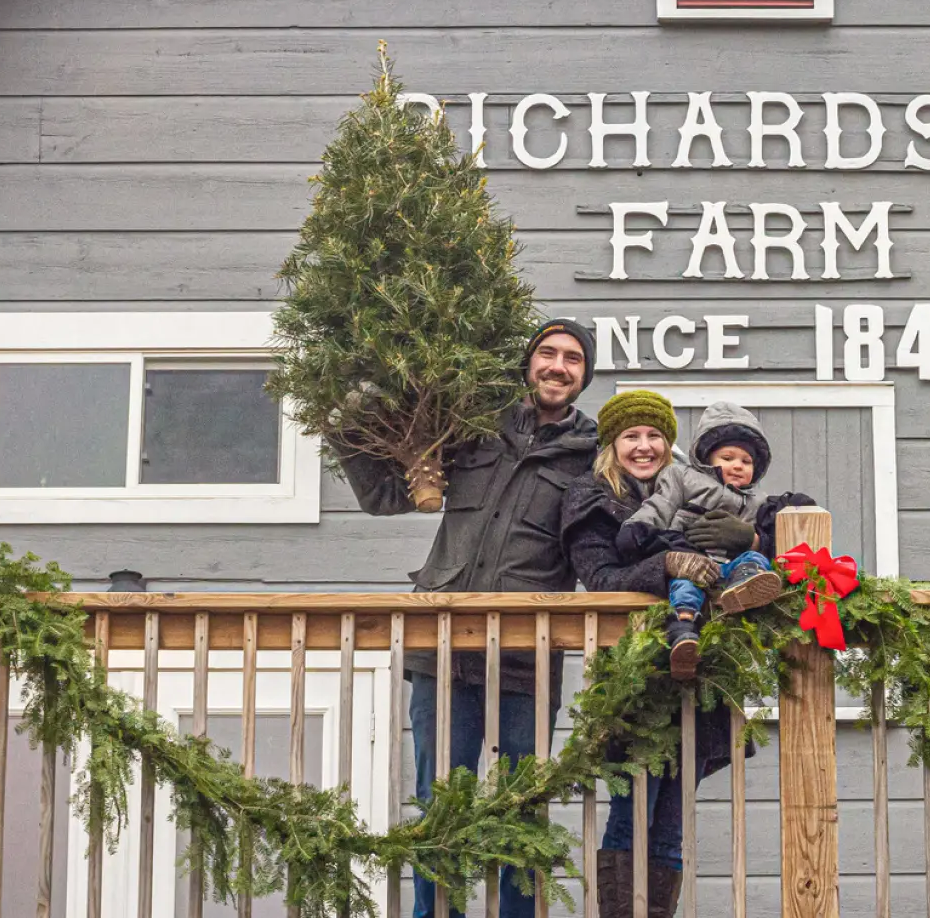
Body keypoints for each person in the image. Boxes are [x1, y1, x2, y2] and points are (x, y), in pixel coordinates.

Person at [335, 318, 599, 918]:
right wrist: (347, 423)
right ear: (528, 363)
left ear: (585, 375)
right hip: (443, 648)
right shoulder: (473, 430)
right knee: (438, 802)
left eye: (573, 359)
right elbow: (384, 495)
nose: (558, 366)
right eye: (547, 353)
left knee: (521, 805)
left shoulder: (593, 456)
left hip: (527, 659)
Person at [559, 390, 812, 918]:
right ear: (612, 444)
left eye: (655, 436)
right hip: (636, 682)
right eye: (632, 435)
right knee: (633, 814)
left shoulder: (713, 490)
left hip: (702, 679)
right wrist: (669, 562)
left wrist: (753, 540)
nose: (645, 446)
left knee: (672, 824)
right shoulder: (593, 498)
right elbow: (603, 579)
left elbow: (789, 535)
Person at [616, 401, 796, 679]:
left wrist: (762, 532)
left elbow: (775, 532)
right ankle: (684, 632)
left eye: (746, 461)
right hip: (694, 561)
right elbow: (661, 504)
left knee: (755, 559)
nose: (737, 465)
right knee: (685, 587)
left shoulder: (758, 501)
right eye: (727, 458)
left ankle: (745, 589)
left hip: (728, 569)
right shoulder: (683, 477)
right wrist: (638, 528)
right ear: (708, 459)